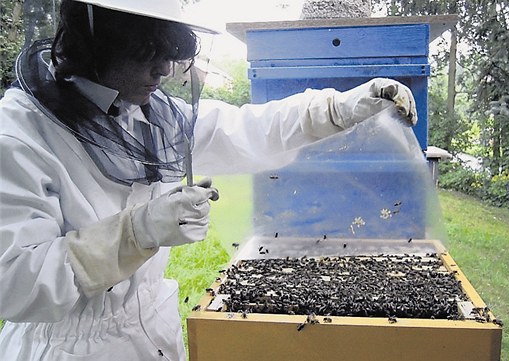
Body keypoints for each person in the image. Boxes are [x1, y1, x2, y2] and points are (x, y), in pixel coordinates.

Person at [0, 0, 417, 360]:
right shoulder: (20, 135)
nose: (163, 68)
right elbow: (15, 282)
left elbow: (250, 129)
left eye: (168, 50)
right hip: (66, 349)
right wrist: (136, 231)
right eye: (146, 50)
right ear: (95, 41)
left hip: (151, 333)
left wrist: (338, 108)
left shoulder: (154, 113)